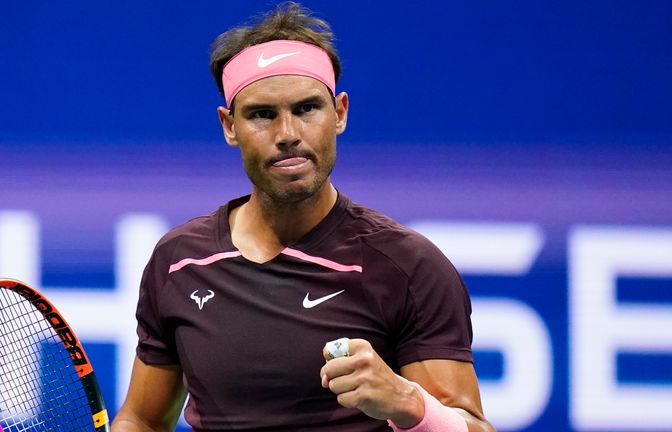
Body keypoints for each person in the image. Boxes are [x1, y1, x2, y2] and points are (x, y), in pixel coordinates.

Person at [112, 2, 494, 431]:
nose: (288, 134)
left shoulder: (408, 266)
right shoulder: (179, 261)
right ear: (229, 126)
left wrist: (410, 404)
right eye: (262, 114)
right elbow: (142, 419)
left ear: (340, 113)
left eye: (307, 108)